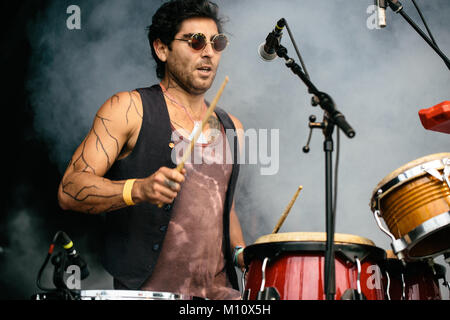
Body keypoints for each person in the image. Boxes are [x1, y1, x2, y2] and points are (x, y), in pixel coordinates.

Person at [57, 0, 246, 300]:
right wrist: (138, 189)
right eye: (196, 41)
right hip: (151, 295)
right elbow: (70, 189)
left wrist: (242, 255)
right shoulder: (128, 108)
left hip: (220, 297)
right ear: (161, 49)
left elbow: (225, 209)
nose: (209, 51)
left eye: (217, 42)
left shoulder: (232, 127)